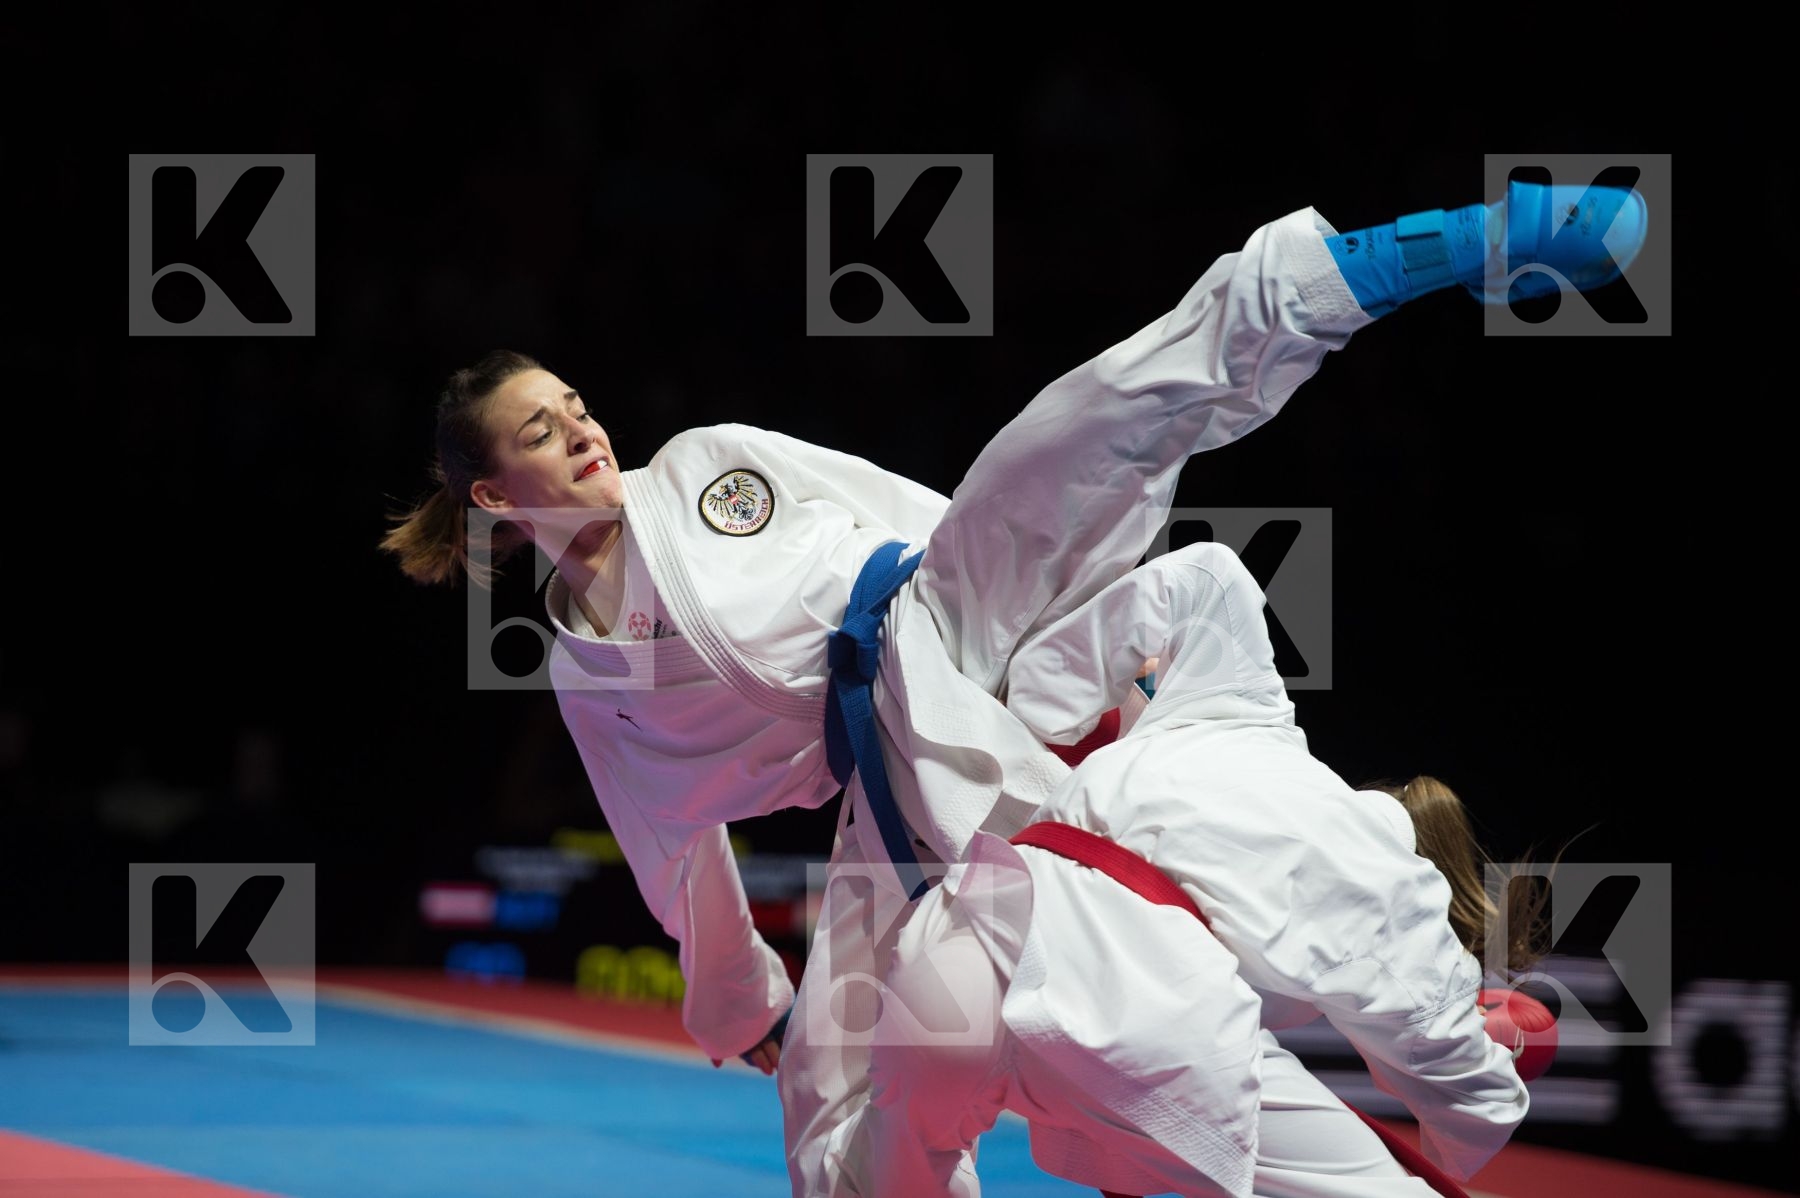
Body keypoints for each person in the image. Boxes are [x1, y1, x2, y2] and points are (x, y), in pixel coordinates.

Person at [379, 180, 1633, 1196]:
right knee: (829, 1115)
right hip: (886, 791)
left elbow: (886, 504)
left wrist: (1025, 572)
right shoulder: (592, 677)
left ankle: (1407, 255)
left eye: (575, 404)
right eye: (541, 430)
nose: (583, 429)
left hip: (951, 612)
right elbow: (673, 852)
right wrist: (748, 1004)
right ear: (493, 497)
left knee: (1099, 418)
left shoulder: (707, 466)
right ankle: (1436, 1017)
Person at [822, 540, 1553, 1197]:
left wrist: (1048, 703)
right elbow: (1453, 1070)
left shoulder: (1238, 706)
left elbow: (1209, 576)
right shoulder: (1388, 877)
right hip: (1130, 1019)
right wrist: (1501, 1060)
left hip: (955, 949)